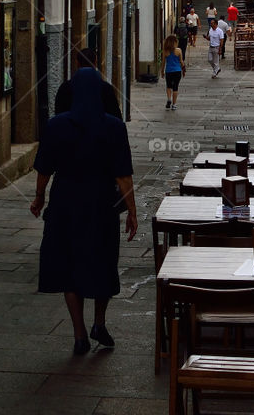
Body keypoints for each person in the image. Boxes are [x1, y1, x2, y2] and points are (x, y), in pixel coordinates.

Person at [30, 54, 138, 355]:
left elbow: (44, 169)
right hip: (102, 205)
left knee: (69, 266)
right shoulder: (114, 128)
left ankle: (79, 333)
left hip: (65, 203)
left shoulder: (56, 126)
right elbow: (123, 176)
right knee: (103, 264)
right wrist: (132, 210)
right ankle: (99, 322)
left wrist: (39, 198)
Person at [163, 33, 186, 110]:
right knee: (175, 87)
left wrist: (162, 72)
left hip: (168, 71)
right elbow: (181, 61)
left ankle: (169, 99)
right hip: (177, 71)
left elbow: (163, 63)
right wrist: (183, 69)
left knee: (169, 86)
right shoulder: (179, 50)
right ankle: (174, 105)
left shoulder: (165, 51)